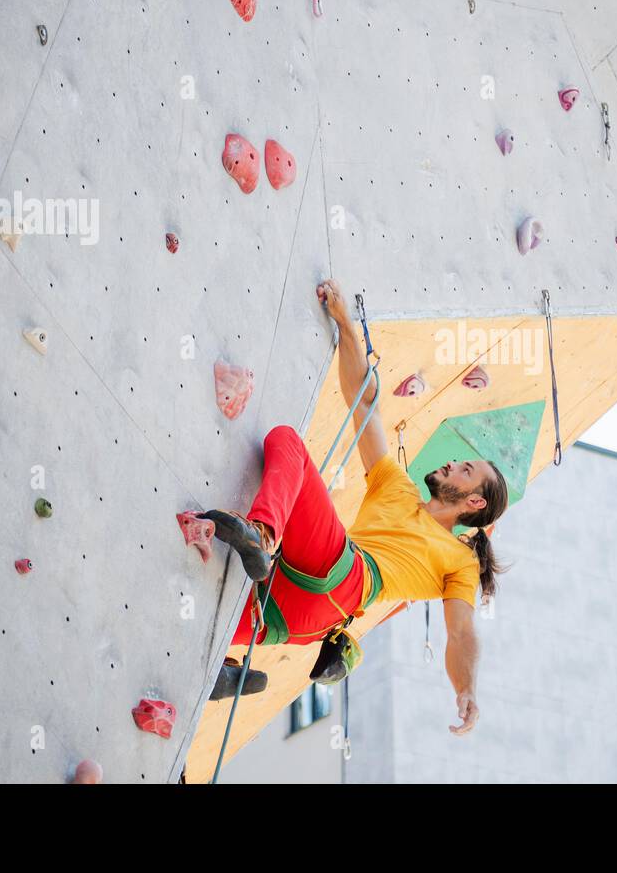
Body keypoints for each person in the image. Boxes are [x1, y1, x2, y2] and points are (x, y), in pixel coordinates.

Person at [204, 280, 509, 735]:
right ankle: (220, 667)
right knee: (190, 616)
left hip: (344, 580)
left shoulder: (460, 562)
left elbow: (462, 633)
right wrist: (346, 323)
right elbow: (362, 405)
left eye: (464, 469)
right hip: (300, 613)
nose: (451, 463)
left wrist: (466, 688)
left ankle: (262, 537)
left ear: (474, 501)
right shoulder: (395, 486)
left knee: (287, 440)